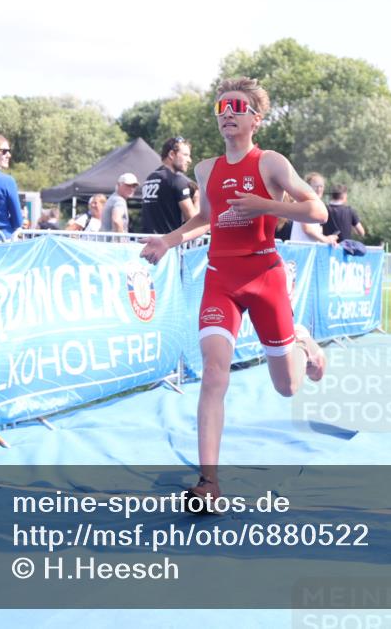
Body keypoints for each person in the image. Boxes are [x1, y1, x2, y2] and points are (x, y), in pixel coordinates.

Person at [140, 77, 328, 507]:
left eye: (237, 106)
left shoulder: (271, 164)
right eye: (222, 105)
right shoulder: (205, 170)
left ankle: (302, 341)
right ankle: (209, 483)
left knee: (288, 387)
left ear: (255, 120)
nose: (227, 111)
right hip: (220, 278)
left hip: (265, 276)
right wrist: (169, 241)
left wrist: (267, 205)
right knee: (214, 372)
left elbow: (316, 209)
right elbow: (205, 218)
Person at [141, 137, 197, 235]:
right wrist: (198, 198)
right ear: (171, 154)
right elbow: (193, 220)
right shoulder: (177, 181)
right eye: (185, 155)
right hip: (167, 245)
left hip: (147, 243)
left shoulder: (149, 178)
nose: (189, 160)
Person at [289, 173, 337, 244]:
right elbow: (307, 229)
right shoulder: (304, 201)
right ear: (308, 187)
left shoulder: (314, 203)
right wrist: (326, 239)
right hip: (300, 250)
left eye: (321, 186)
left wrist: (326, 238)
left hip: (308, 249)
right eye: (316, 186)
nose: (319, 189)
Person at [101, 173, 140, 238]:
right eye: (128, 185)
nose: (132, 189)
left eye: (134, 186)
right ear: (119, 185)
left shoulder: (113, 198)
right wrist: (121, 242)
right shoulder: (119, 201)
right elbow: (117, 220)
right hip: (112, 245)